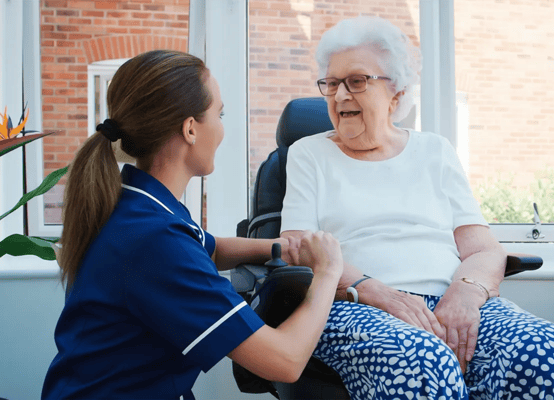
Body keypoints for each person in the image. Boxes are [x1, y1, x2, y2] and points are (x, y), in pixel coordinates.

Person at [280, 16, 554, 400]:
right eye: (332, 83)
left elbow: (484, 250)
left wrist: (465, 296)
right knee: (421, 359)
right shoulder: (310, 154)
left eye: (356, 81)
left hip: (450, 298)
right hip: (357, 304)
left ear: (397, 92)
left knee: (543, 348)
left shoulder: (434, 150)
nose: (340, 96)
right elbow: (297, 246)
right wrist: (380, 293)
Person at [42, 50, 343, 399]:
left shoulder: (136, 202)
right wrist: (327, 272)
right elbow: (285, 361)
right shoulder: (156, 241)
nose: (221, 128)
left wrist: (285, 246)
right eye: (220, 113)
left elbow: (208, 248)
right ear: (189, 129)